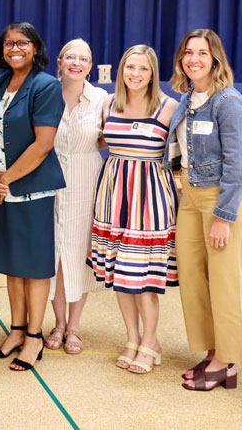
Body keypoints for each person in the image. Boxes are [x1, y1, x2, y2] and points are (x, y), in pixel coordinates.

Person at [164, 29, 242, 391]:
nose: (194, 59)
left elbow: (237, 164)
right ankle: (213, 350)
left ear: (215, 58)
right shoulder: (187, 99)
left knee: (226, 282)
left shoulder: (227, 101)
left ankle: (227, 362)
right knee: (195, 281)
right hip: (192, 196)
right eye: (188, 53)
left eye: (202, 53)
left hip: (222, 200)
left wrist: (224, 216)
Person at [89, 44, 178, 374]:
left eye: (142, 68)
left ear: (153, 73)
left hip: (150, 200)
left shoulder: (169, 107)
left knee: (144, 278)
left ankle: (150, 341)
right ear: (121, 70)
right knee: (122, 275)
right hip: (113, 196)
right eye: (130, 67)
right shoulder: (109, 102)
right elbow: (99, 140)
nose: (135, 74)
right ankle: (132, 338)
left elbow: (185, 152)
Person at [0, 22, 65, 372]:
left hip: (31, 189)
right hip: (2, 186)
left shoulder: (46, 85)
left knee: (34, 265)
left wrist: (5, 180)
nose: (14, 48)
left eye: (22, 42)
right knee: (14, 266)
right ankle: (15, 330)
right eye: (8, 43)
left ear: (35, 48)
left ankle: (34, 337)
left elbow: (43, 144)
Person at [44, 39, 107, 355]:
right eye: (71, 56)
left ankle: (74, 327)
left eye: (84, 58)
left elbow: (112, 136)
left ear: (90, 65)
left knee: (80, 251)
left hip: (86, 179)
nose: (77, 62)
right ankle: (57, 323)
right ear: (59, 61)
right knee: (55, 252)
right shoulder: (45, 92)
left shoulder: (101, 99)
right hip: (50, 178)